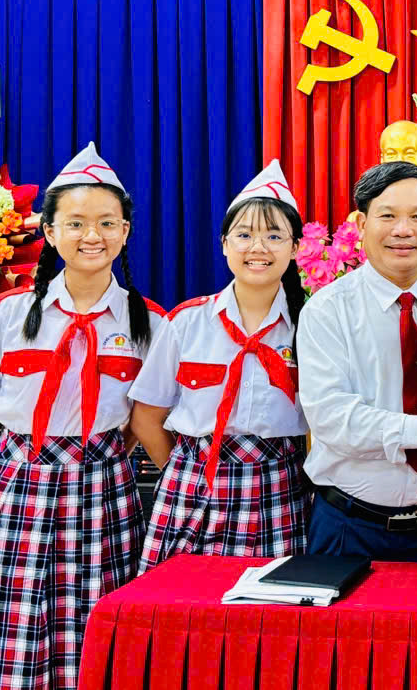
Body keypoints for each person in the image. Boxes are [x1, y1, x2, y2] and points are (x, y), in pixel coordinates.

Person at [0, 143, 163, 690]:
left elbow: (143, 418)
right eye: (76, 222)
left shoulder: (150, 324)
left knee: (94, 615)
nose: (93, 235)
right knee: (6, 618)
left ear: (125, 232)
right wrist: (1, 474)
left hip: (103, 487)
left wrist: (104, 460)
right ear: (49, 231)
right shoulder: (7, 313)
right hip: (16, 482)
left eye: (107, 223)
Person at [296, 161, 417, 559]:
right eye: (387, 216)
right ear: (361, 224)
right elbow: (332, 419)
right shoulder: (328, 310)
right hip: (349, 528)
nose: (403, 230)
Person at [130, 160, 310, 571]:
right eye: (244, 235)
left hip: (277, 491)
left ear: (296, 247)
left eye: (274, 236)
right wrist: (184, 472)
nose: (258, 247)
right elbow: (146, 417)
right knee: (177, 602)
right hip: (191, 489)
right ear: (224, 243)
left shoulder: (311, 326)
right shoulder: (186, 322)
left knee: (269, 605)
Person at [346, 121, 417, 236]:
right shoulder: (357, 221)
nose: (399, 161)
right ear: (382, 161)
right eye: (391, 154)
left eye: (409, 154)